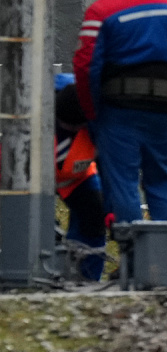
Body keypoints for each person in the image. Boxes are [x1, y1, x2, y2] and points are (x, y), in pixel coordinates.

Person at [73, 0, 167, 225]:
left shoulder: (101, 10)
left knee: (123, 183)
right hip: (162, 111)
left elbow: (85, 65)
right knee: (162, 180)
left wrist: (92, 112)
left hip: (118, 112)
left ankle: (133, 259)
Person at [53, 76, 106, 281]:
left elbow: (107, 167)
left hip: (78, 179)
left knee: (94, 216)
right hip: (29, 182)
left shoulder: (96, 120)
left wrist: (111, 207)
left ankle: (87, 278)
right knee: (39, 228)